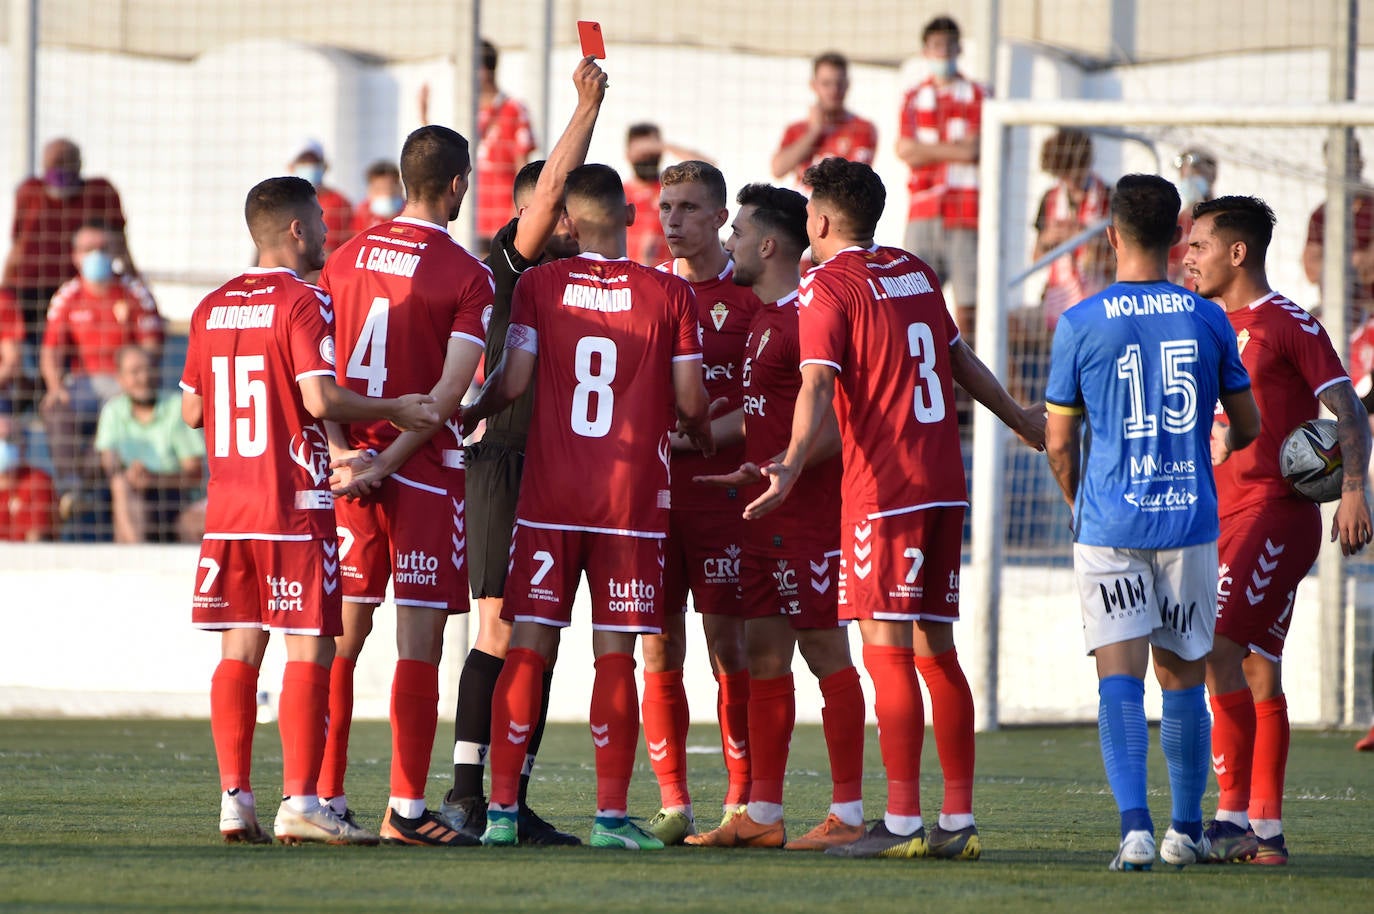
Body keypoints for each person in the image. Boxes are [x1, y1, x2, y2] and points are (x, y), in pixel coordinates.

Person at [746, 157, 1045, 859]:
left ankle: (903, 822)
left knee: (886, 651)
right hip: (942, 482)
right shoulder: (914, 269)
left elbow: (817, 385)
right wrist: (1019, 418)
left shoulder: (827, 286)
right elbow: (957, 358)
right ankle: (957, 821)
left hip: (885, 493)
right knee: (937, 652)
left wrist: (790, 462)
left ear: (821, 220)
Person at [181, 174, 439, 846]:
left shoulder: (209, 307)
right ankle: (301, 800)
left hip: (228, 508)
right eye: (320, 220)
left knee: (240, 647)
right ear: (297, 229)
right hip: (292, 504)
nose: (327, 231)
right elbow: (321, 399)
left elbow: (193, 410)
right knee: (310, 647)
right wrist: (395, 407)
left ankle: (235, 800)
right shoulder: (303, 300)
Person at [462, 163, 712, 850]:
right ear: (630, 217)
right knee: (615, 658)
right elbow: (691, 400)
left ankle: (502, 814)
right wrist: (696, 427)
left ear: (568, 224)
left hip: (550, 497)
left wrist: (471, 412)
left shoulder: (540, 285)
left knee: (528, 648)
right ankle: (609, 818)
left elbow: (511, 381)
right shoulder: (670, 292)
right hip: (629, 501)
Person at [1043, 173, 1261, 871]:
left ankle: (1134, 830)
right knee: (1184, 680)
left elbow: (1058, 442)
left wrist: (1077, 503)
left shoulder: (1080, 320)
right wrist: (1221, 439)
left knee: (1119, 679)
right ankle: (1185, 831)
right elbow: (1249, 423)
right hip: (1188, 522)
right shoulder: (1208, 317)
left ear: (1111, 235)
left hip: (1109, 522)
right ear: (1176, 236)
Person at [434, 57, 607, 846]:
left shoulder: (582, 281)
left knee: (541, 641)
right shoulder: (510, 263)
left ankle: (512, 800)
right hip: (504, 460)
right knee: (499, 633)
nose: (571, 223)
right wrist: (586, 109)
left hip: (562, 475)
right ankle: (466, 794)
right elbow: (551, 189)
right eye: (559, 209)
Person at [314, 124, 493, 847]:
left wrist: (343, 457)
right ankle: (406, 810)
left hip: (348, 471)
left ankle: (321, 799)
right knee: (418, 640)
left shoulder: (343, 256)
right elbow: (447, 396)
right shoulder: (467, 274)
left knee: (340, 638)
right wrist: (387, 463)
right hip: (420, 473)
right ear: (457, 184)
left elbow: (316, 378)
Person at [1182, 195, 1372, 865]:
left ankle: (1230, 820)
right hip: (1217, 516)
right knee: (1257, 671)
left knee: (1216, 650)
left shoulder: (1289, 323)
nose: (1188, 257)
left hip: (1273, 516)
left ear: (1237, 253)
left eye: (1199, 245)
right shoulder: (1202, 322)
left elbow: (1349, 408)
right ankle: (1266, 833)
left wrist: (1354, 490)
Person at [683, 183, 866, 851]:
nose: (727, 242)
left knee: (826, 653)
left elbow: (839, 426)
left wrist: (782, 469)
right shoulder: (763, 316)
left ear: (767, 246)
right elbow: (766, 416)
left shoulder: (807, 316)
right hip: (761, 512)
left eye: (736, 232)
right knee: (763, 656)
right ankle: (762, 812)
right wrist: (706, 440)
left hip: (809, 517)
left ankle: (848, 812)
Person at [641, 161, 760, 846]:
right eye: (666, 207)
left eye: (688, 208)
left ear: (719, 218)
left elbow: (764, 402)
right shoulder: (648, 292)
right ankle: (674, 802)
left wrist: (699, 438)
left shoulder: (748, 298)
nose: (674, 220)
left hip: (724, 501)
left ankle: (741, 800)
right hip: (654, 502)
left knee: (727, 647)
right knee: (659, 646)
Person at [39, 223, 163, 498]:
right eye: (88, 249)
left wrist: (132, 376)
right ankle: (71, 486)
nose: (96, 255)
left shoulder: (134, 292)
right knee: (54, 408)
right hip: (83, 384)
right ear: (75, 256)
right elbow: (51, 350)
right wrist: (55, 386)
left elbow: (152, 347)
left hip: (124, 383)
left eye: (102, 248)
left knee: (119, 415)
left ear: (114, 252)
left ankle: (86, 483)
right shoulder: (68, 295)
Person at [896, 15, 986, 343]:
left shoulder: (977, 94)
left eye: (949, 46)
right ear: (925, 50)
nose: (943, 52)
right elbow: (905, 151)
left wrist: (926, 150)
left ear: (959, 48)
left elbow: (974, 149)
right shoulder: (913, 96)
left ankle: (967, 373)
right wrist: (955, 150)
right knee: (912, 298)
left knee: (968, 306)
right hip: (923, 210)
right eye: (936, 46)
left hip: (965, 210)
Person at [3, 138, 131, 348]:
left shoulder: (100, 192)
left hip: (77, 288)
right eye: (55, 164)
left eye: (66, 162)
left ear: (79, 164)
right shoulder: (30, 192)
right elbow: (18, 244)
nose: (60, 170)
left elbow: (120, 242)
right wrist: (6, 286)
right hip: (32, 288)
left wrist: (132, 278)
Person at [96, 344, 206, 543]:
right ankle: (136, 556)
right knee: (120, 486)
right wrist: (128, 473)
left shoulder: (175, 408)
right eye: (135, 372)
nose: (144, 377)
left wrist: (153, 479)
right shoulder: (113, 412)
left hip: (175, 498)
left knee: (192, 524)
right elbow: (108, 463)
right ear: (120, 379)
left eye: (149, 369)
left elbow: (195, 474)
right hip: (131, 497)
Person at [1033, 128, 1114, 329]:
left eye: (1074, 174)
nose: (1069, 182)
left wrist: (1088, 239)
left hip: (1100, 301)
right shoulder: (1050, 199)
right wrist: (1048, 239)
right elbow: (1036, 258)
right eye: (1063, 175)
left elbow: (1120, 259)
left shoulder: (1109, 197)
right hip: (1059, 299)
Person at [771, 53, 878, 190]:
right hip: (803, 202)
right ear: (813, 85)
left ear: (847, 85)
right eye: (826, 84)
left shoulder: (862, 128)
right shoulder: (797, 129)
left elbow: (855, 180)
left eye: (839, 84)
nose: (834, 90)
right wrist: (814, 131)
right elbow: (778, 169)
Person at [1303, 137, 1374, 325]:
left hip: (1369, 309)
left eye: (1348, 163)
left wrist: (1335, 265)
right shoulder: (1321, 214)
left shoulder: (1371, 207)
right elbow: (1311, 269)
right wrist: (1350, 264)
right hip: (1333, 310)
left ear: (1360, 163)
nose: (1343, 171)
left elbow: (1370, 266)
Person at [475, 39, 536, 255]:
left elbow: (522, 166)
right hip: (472, 214)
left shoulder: (513, 109)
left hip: (501, 215)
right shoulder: (467, 111)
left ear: (483, 70)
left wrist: (517, 217)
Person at [622, 124, 713, 267]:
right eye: (642, 154)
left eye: (652, 153)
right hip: (631, 273)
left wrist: (663, 146)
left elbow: (708, 169)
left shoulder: (671, 190)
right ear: (628, 155)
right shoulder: (620, 194)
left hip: (667, 273)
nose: (648, 159)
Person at [289, 139, 354, 260]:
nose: (309, 167)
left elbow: (350, 243)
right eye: (303, 163)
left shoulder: (340, 202)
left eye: (314, 163)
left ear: (325, 167)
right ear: (291, 167)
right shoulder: (283, 202)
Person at [0, 410, 57, 541]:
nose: (3, 445)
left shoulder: (37, 481)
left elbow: (35, 540)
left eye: (10, 439)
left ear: (23, 445)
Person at [1168, 147, 1218, 288]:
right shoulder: (1175, 223)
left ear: (1212, 176)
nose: (1189, 181)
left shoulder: (1224, 222)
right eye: (1185, 176)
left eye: (1195, 174)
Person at [350, 160, 404, 233]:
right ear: (370, 190)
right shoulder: (361, 212)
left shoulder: (408, 211)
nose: (385, 194)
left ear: (399, 188)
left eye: (389, 188)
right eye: (378, 189)